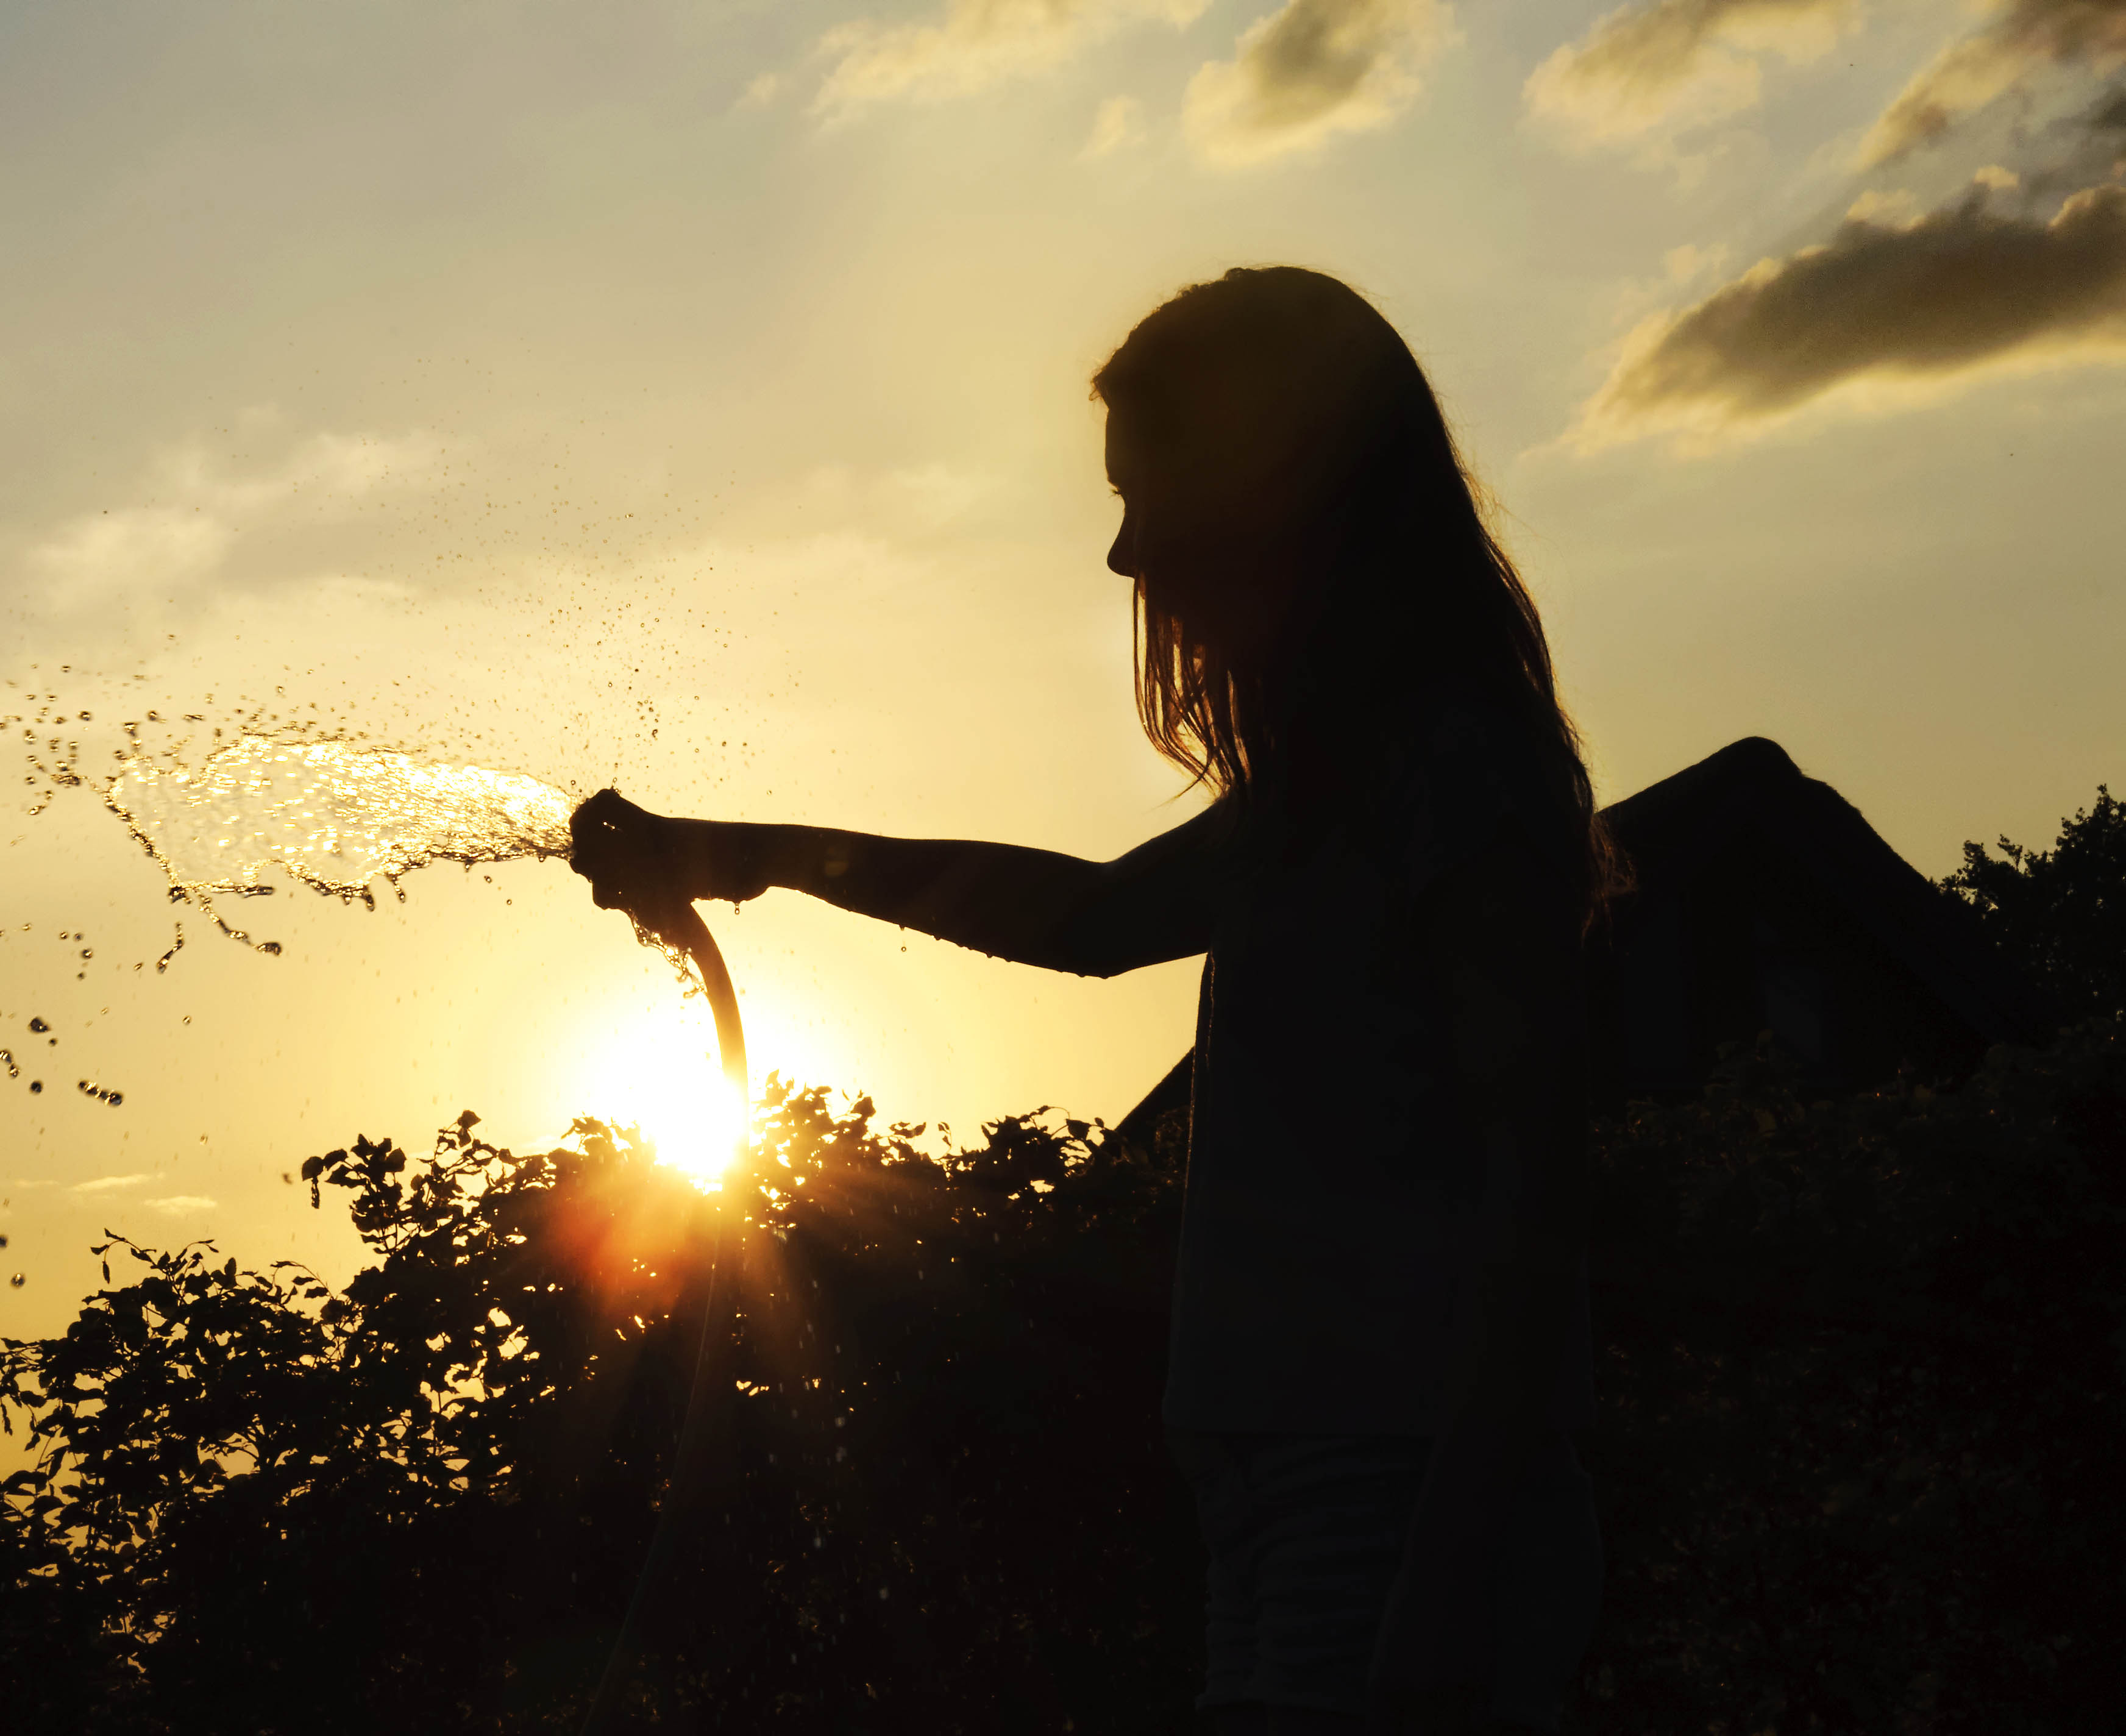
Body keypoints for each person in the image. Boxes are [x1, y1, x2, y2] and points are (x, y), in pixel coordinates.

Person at [568, 266, 1621, 1736]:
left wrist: (1443, 1578)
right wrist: (745, 855)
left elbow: (1534, 1196)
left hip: (1398, 1496)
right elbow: (1092, 919)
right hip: (1292, 1493)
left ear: (1277, 482)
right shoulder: (1333, 785)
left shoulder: (1452, 764)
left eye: (1150, 494)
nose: (1125, 555)